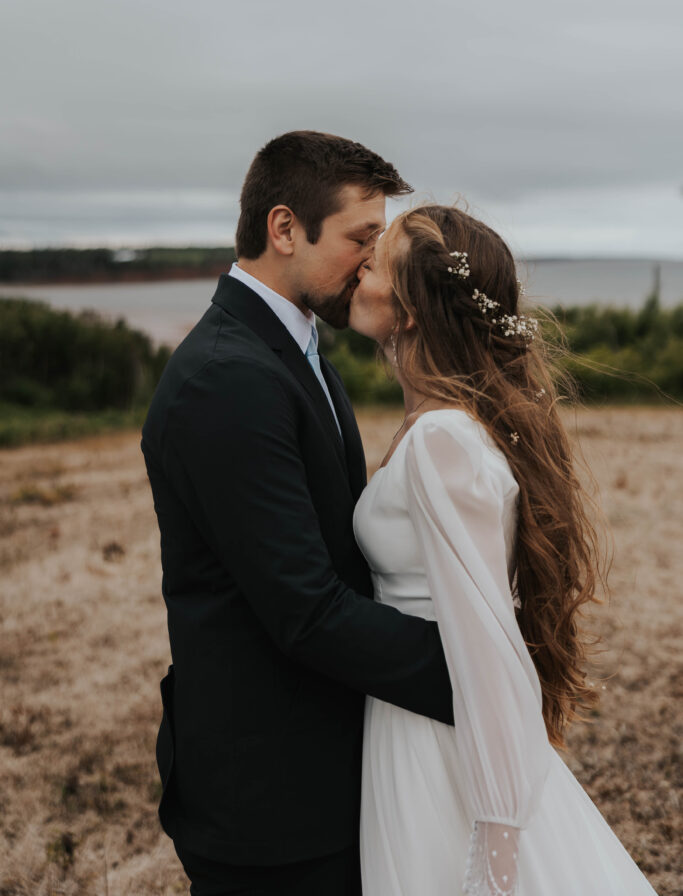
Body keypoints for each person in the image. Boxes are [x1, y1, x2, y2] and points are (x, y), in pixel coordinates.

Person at [141, 132, 454, 896]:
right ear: (284, 229)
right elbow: (305, 608)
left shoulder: (294, 349)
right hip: (270, 806)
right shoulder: (227, 378)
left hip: (317, 772)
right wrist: (475, 676)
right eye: (360, 238)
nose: (373, 261)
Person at [348, 203, 659, 895]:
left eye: (376, 261)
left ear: (407, 310)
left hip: (440, 745)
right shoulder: (439, 426)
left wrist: (494, 840)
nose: (359, 268)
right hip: (414, 722)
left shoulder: (442, 441)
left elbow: (486, 642)